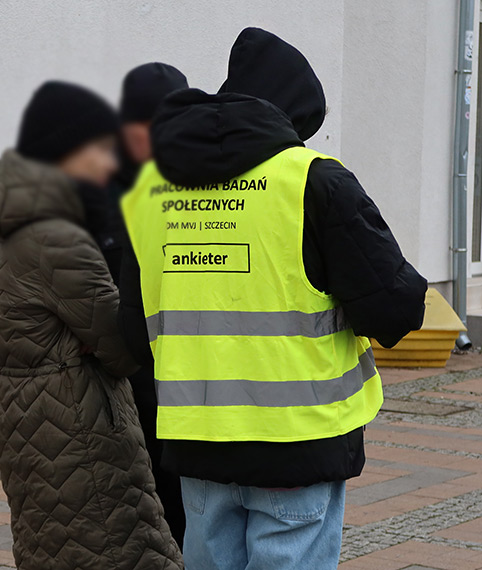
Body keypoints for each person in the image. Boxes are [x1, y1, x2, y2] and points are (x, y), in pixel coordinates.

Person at [119, 28, 427, 569]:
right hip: (298, 443)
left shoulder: (150, 192)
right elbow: (394, 308)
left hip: (198, 441)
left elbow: (130, 332)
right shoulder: (312, 182)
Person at [0, 80, 183, 570]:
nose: (110, 164)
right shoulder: (59, 236)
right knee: (116, 548)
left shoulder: (22, 219)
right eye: (100, 150)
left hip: (32, 416)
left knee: (57, 546)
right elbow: (122, 347)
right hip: (76, 421)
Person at [94, 62, 189, 545]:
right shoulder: (97, 191)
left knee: (186, 512)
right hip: (121, 381)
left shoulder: (198, 182)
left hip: (190, 376)